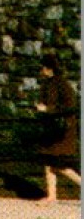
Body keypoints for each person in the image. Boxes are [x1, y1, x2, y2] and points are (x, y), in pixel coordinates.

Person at [35, 52, 80, 203]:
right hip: (52, 129)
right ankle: (52, 196)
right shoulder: (48, 83)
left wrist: (47, 109)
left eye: (43, 67)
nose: (42, 70)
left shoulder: (62, 84)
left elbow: (71, 106)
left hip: (62, 131)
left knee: (59, 165)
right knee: (49, 163)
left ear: (48, 68)